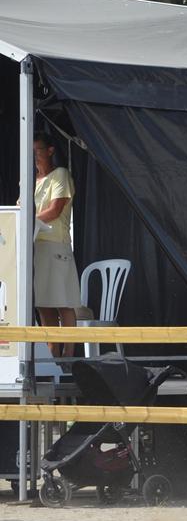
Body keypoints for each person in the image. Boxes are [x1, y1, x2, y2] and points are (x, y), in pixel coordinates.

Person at [31, 133, 81, 360]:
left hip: (56, 247)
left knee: (62, 302)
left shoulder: (60, 174)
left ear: (50, 150)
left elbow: (55, 209)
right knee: (43, 304)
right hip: (35, 248)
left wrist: (28, 220)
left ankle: (70, 358)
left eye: (37, 150)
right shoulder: (30, 180)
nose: (34, 156)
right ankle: (54, 359)